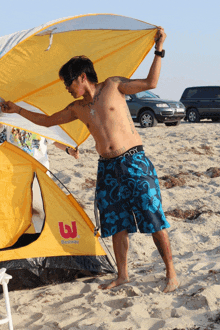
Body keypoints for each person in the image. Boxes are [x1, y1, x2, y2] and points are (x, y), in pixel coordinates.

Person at [0, 27, 179, 292]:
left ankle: (171, 273)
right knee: (117, 223)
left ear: (82, 77)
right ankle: (122, 275)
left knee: (153, 215)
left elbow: (151, 83)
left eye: (68, 83)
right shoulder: (77, 108)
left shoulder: (114, 86)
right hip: (107, 167)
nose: (66, 88)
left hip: (134, 161)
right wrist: (17, 110)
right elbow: (47, 121)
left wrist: (159, 50)